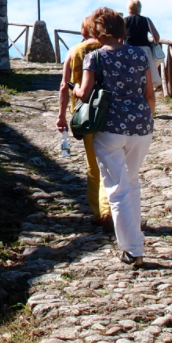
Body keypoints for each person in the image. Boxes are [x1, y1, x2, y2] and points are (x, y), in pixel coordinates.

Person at [75, 6, 155, 267]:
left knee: (116, 190)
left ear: (98, 31)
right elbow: (149, 94)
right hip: (141, 127)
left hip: (109, 128)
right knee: (132, 182)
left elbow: (86, 93)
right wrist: (147, 120)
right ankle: (136, 238)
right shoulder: (140, 56)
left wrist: (74, 89)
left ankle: (132, 249)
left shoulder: (95, 58)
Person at [56, 16, 109, 228]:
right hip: (107, 109)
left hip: (84, 113)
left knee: (92, 164)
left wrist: (61, 116)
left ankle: (99, 212)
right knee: (110, 161)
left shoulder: (74, 51)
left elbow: (63, 86)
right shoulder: (107, 48)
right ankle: (108, 209)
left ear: (84, 32)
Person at [124, 0, 163, 90]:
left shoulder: (124, 21)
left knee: (131, 77)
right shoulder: (146, 20)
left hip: (128, 51)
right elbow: (156, 37)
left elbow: (120, 38)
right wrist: (151, 41)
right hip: (145, 51)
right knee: (147, 77)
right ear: (139, 9)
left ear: (128, 9)